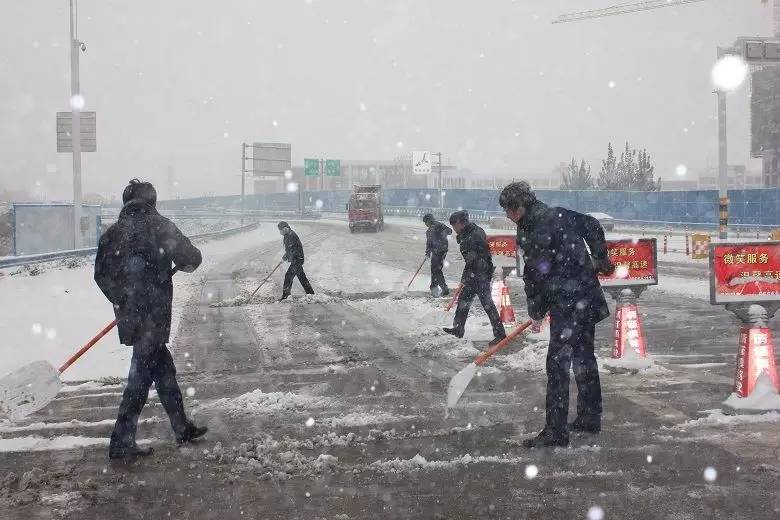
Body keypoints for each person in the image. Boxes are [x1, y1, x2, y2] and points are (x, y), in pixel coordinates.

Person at [95, 179, 207, 460]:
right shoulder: (159, 226)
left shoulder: (112, 234)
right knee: (140, 377)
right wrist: (183, 262)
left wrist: (123, 299)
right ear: (151, 201)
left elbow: (101, 276)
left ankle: (182, 428)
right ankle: (121, 441)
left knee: (162, 369)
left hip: (131, 317)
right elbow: (191, 257)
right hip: (154, 316)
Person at [499, 181, 614, 448]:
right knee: (584, 357)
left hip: (568, 302)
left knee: (558, 365)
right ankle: (589, 417)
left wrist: (536, 309)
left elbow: (536, 273)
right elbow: (593, 226)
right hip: (586, 296)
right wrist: (601, 258)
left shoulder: (533, 230)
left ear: (519, 208)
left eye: (508, 210)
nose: (507, 215)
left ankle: (556, 432)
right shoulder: (558, 213)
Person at [444, 211, 507, 347]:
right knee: (463, 301)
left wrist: (468, 277)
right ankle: (458, 328)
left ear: (461, 223)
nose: (454, 229)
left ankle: (500, 335)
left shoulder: (469, 238)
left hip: (479, 275)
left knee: (487, 305)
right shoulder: (476, 230)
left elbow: (473, 260)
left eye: (454, 225)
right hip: (479, 273)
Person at [278, 221, 314, 300]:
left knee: (288, 276)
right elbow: (289, 250)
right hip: (297, 259)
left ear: (285, 228)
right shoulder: (287, 235)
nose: (281, 232)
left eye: (281, 230)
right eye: (280, 230)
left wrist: (285, 258)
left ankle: (286, 296)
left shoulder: (291, 235)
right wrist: (284, 258)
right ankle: (311, 293)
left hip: (297, 259)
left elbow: (291, 250)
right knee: (301, 277)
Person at [422, 213, 452, 296]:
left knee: (436, 270)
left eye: (425, 222)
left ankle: (443, 288)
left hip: (437, 252)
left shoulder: (430, 230)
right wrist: (443, 232)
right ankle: (434, 287)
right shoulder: (440, 225)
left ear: (428, 221)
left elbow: (429, 243)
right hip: (444, 250)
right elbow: (450, 231)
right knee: (436, 269)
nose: (425, 224)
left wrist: (427, 253)